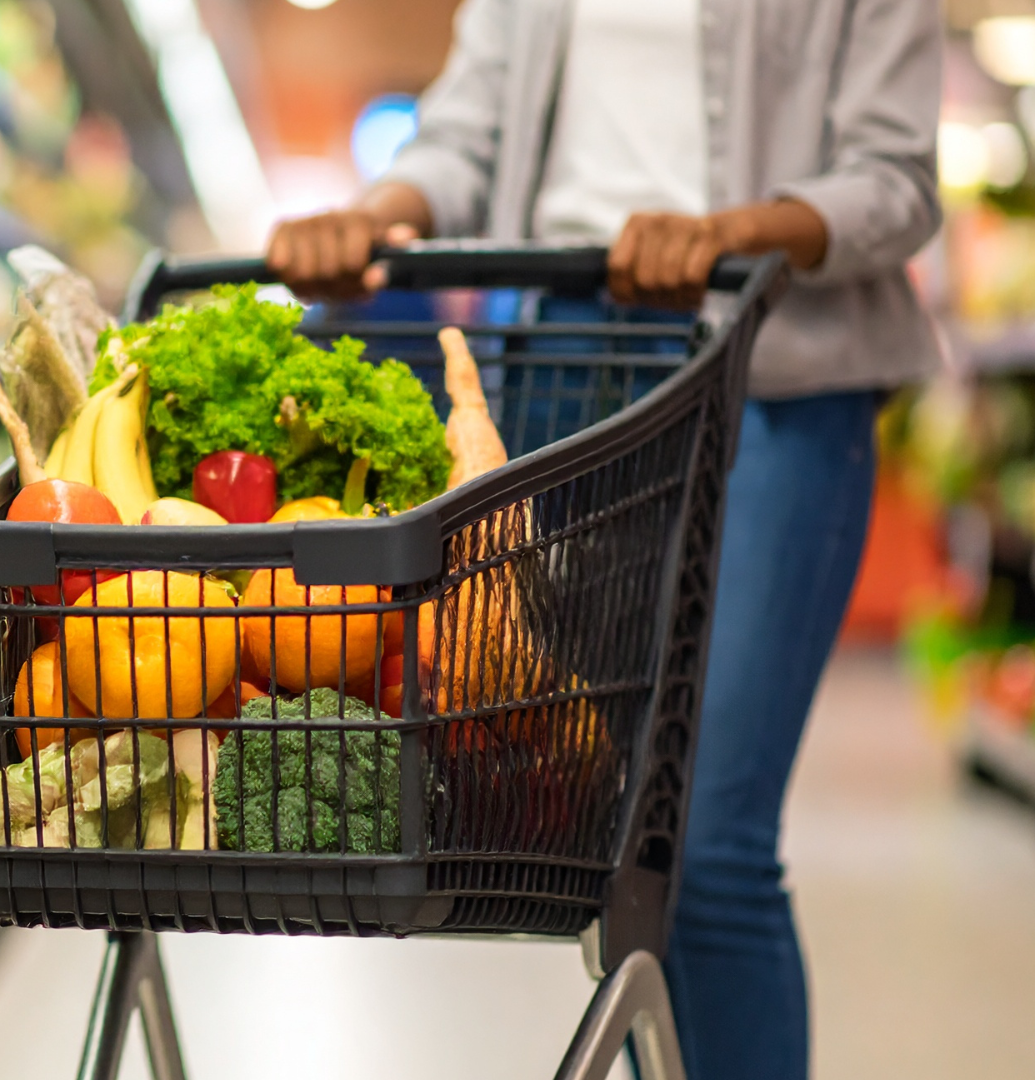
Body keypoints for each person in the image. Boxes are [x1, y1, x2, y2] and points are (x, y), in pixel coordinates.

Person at [264, 1, 941, 1077]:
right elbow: (468, 132)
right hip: (574, 374)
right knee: (613, 842)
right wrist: (374, 212)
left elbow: (897, 184)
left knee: (707, 845)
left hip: (779, 371)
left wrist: (729, 229)